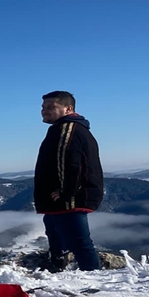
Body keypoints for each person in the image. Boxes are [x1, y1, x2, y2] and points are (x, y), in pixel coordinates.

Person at [34, 90, 104, 272]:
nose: (44, 110)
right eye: (43, 107)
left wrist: (66, 192)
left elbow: (71, 163)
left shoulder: (68, 129)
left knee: (79, 242)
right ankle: (57, 271)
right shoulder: (62, 128)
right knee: (56, 236)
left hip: (70, 198)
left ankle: (94, 279)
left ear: (68, 108)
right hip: (61, 198)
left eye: (51, 107)